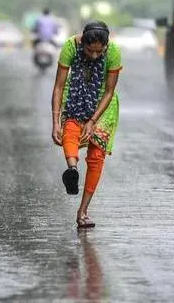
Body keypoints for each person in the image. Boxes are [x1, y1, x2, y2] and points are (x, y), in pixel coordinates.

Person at [51, 21, 122, 229]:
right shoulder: (70, 47)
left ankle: (83, 211)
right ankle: (72, 170)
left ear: (106, 46)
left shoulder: (114, 52)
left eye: (99, 51)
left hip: (103, 104)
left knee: (96, 155)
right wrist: (55, 122)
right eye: (90, 50)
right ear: (82, 43)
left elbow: (109, 91)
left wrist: (92, 121)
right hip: (75, 96)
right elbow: (59, 86)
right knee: (70, 131)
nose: (94, 56)